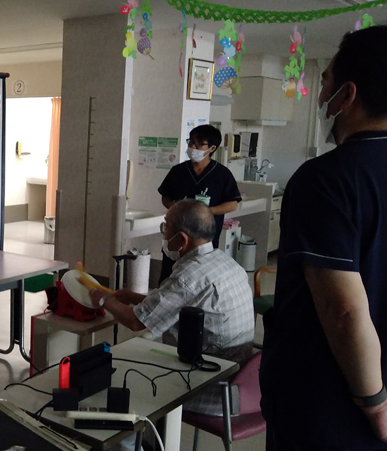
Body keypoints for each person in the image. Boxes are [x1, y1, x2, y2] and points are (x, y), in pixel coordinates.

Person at [260, 26, 387, 451]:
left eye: (325, 82)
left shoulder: (327, 180)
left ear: (346, 95)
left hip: (335, 405)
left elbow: (343, 310)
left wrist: (374, 403)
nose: (319, 96)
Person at [90, 199, 254, 416]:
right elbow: (175, 303)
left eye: (166, 226)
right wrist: (133, 296)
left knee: (127, 379)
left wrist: (103, 299)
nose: (164, 233)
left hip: (214, 388)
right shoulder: (225, 261)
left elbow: (136, 322)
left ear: (182, 239)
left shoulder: (188, 277)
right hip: (244, 383)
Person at [157, 124, 241, 283]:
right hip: (176, 237)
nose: (193, 147)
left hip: (204, 239)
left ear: (212, 148)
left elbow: (232, 204)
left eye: (199, 144)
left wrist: (202, 212)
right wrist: (175, 208)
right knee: (169, 277)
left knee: (197, 278)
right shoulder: (178, 171)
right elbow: (165, 196)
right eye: (191, 142)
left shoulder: (221, 174)